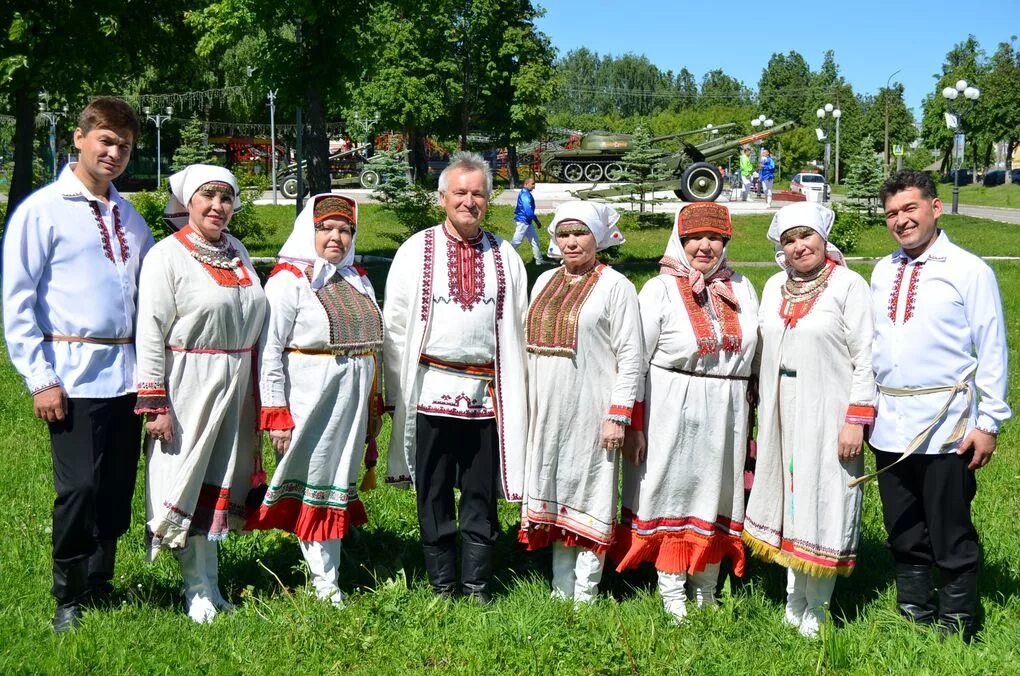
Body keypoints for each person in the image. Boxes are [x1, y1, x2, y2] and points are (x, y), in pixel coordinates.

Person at [2, 98, 153, 633]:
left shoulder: (132, 220)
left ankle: (101, 579)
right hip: (71, 372)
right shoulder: (42, 211)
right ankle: (68, 593)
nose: (114, 153)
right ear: (79, 138)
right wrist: (40, 378)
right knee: (79, 489)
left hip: (127, 373)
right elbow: (17, 300)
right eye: (106, 141)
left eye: (125, 146)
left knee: (115, 485)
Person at [867, 171, 1010, 640]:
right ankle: (914, 609)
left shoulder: (970, 270)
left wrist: (987, 421)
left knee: (949, 526)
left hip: (947, 423)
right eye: (892, 213)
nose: (901, 220)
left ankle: (958, 621)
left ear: (935, 208)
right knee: (903, 524)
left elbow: (992, 349)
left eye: (910, 208)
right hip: (890, 423)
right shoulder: (883, 270)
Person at [383, 151, 529, 604]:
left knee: (482, 492)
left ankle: (478, 586)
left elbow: (519, 327)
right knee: (433, 490)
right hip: (429, 389)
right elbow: (395, 325)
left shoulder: (507, 256)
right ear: (442, 197)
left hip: (486, 395)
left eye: (478, 193)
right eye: (460, 193)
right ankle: (443, 586)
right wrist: (393, 393)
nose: (470, 201)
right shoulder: (416, 250)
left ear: (489, 200)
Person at [133, 164, 267, 624]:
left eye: (226, 198)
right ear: (188, 202)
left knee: (220, 480)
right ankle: (194, 590)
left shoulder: (238, 252)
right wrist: (155, 403)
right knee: (186, 481)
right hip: (189, 382)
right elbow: (149, 331)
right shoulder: (167, 256)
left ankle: (212, 583)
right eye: (207, 197)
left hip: (236, 382)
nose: (217, 207)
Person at [613, 203, 759, 622]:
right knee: (673, 491)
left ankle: (707, 587)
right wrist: (635, 425)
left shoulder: (743, 287)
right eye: (695, 238)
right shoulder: (659, 290)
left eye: (715, 238)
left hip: (727, 408)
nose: (705, 246)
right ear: (680, 240)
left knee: (718, 492)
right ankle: (672, 588)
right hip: (672, 407)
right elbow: (635, 360)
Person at [743, 202, 876, 638]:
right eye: (790, 240)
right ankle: (793, 600)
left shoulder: (848, 285)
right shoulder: (774, 287)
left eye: (806, 236)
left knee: (824, 498)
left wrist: (855, 418)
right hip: (782, 407)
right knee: (791, 500)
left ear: (823, 239)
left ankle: (817, 609)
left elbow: (866, 357)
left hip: (828, 407)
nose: (799, 247)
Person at [246, 193, 383, 607]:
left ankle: (334, 565)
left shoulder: (357, 277)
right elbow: (269, 350)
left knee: (336, 478)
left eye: (345, 229)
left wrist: (375, 404)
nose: (336, 237)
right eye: (326, 228)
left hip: (352, 401)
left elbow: (374, 345)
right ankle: (327, 584)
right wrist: (277, 413)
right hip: (311, 397)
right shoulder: (289, 280)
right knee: (317, 480)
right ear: (311, 230)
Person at [518, 202, 641, 604]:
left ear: (598, 238)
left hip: (591, 409)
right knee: (554, 487)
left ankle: (585, 592)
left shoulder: (615, 286)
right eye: (564, 234)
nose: (572, 242)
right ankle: (560, 588)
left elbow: (631, 355)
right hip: (546, 408)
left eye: (581, 233)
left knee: (589, 491)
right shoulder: (544, 281)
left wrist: (618, 415)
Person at [511, 177, 547, 264]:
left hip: (527, 221)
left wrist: (535, 220)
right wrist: (535, 220)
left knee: (535, 240)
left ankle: (539, 260)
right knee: (516, 241)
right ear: (526, 184)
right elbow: (528, 210)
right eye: (532, 184)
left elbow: (529, 211)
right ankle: (503, 255)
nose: (534, 186)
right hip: (524, 221)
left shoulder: (526, 193)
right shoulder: (525, 195)